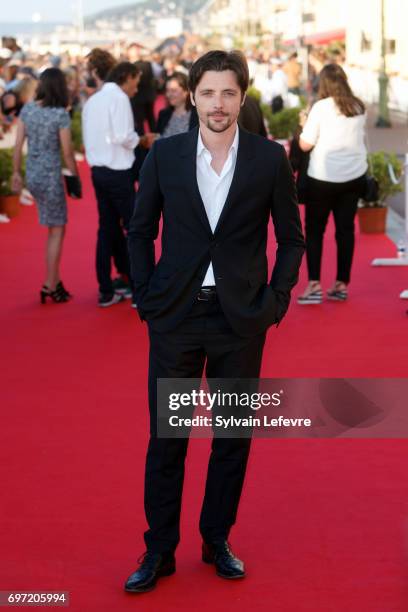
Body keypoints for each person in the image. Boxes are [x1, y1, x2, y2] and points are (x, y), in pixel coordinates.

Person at [125, 50, 305, 593]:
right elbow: (139, 231)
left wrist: (275, 300)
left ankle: (216, 538)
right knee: (169, 438)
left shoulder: (269, 159)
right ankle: (159, 550)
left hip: (239, 322)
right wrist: (144, 296)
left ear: (241, 98)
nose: (218, 104)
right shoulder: (167, 156)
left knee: (231, 438)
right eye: (208, 93)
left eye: (228, 93)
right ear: (191, 96)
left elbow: (292, 238)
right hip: (176, 318)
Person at [82, 61, 152, 307]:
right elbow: (124, 136)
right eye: (136, 80)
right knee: (136, 230)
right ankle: (139, 289)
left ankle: (106, 290)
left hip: (98, 172)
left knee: (107, 229)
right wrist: (142, 139)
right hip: (118, 173)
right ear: (127, 76)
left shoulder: (93, 100)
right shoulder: (119, 98)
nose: (137, 87)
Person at [297, 63, 367, 304]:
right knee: (345, 230)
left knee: (315, 231)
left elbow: (305, 144)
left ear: (323, 84)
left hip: (323, 177)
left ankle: (314, 284)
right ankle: (341, 284)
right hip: (354, 175)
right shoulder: (358, 106)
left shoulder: (321, 107)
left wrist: (304, 123)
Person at [12, 68, 79, 303]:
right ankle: (49, 284)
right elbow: (68, 152)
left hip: (32, 175)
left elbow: (19, 144)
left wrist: (15, 174)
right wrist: (75, 176)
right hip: (51, 177)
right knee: (57, 231)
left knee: (53, 229)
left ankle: (56, 281)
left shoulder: (28, 109)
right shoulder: (59, 113)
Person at [156, 71, 198, 137]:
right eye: (167, 90)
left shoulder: (198, 115)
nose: (168, 94)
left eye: (174, 90)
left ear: (186, 91)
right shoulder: (163, 114)